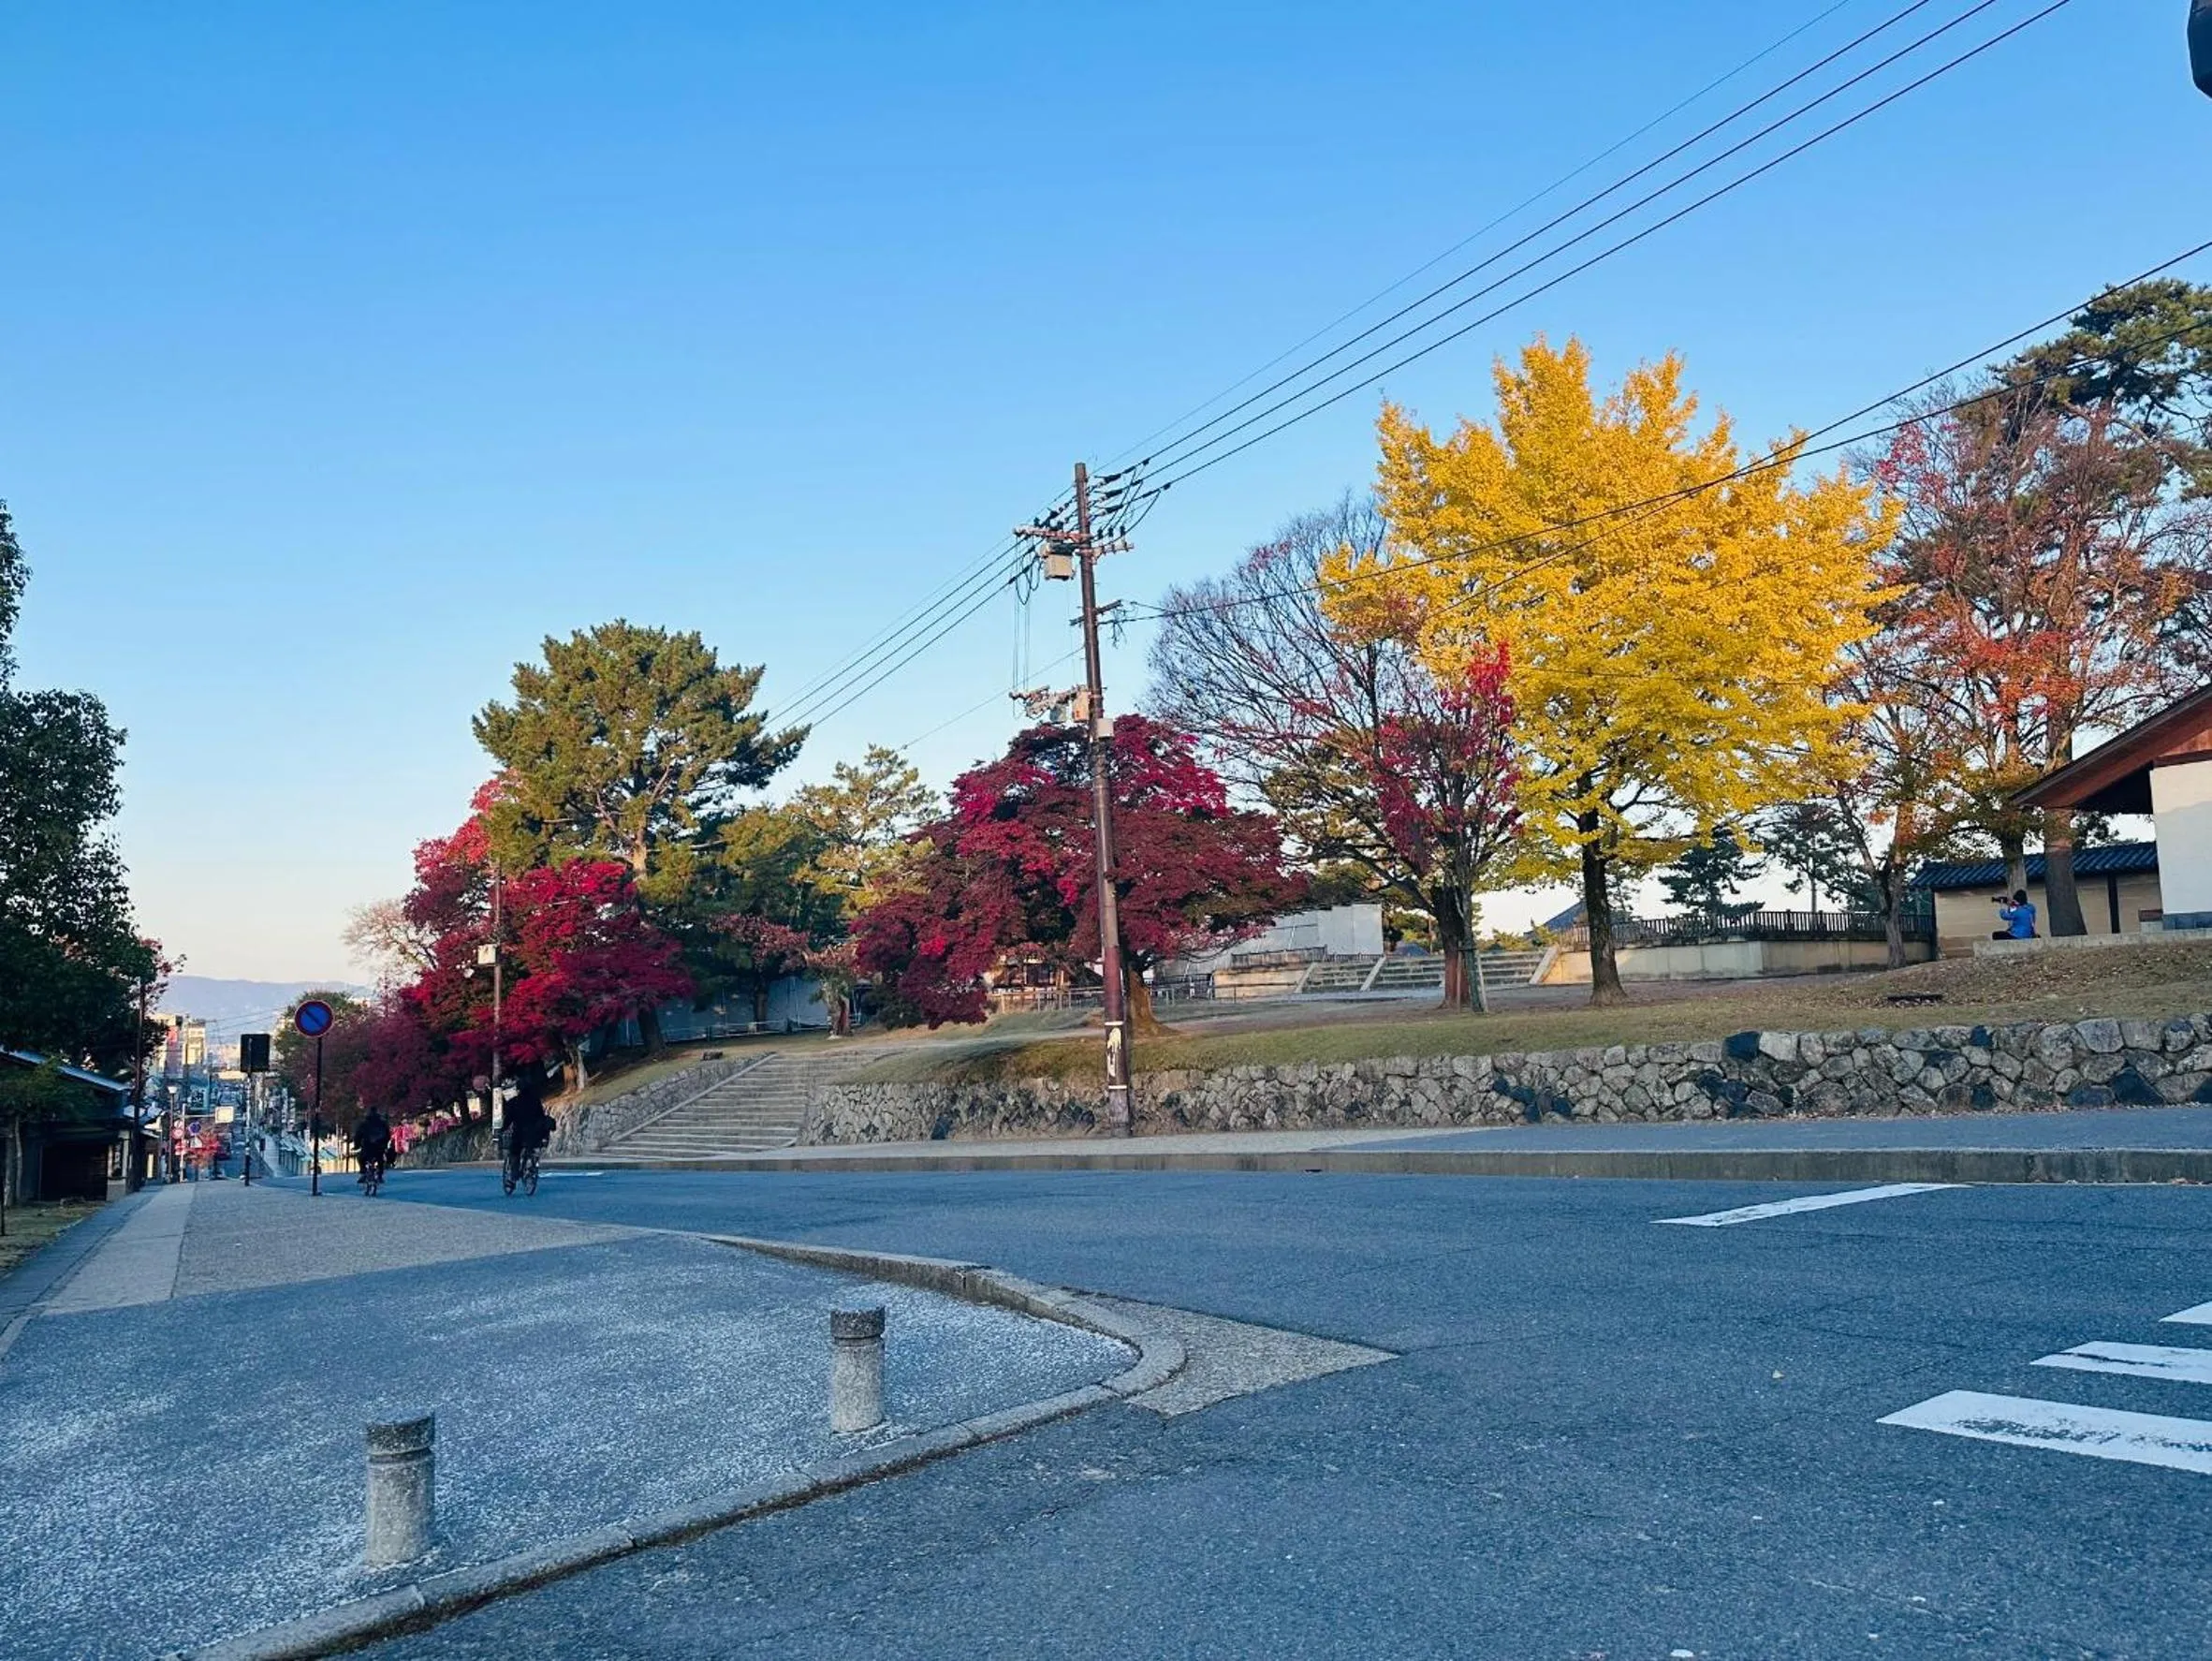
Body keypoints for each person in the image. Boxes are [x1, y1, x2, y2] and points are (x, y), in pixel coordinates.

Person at [501, 1071, 553, 1189]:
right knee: (531, 1148)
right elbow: (541, 1116)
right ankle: (531, 1167)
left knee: (514, 1152)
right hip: (535, 1133)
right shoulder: (535, 1101)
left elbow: (509, 1119)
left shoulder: (514, 1102)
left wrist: (502, 1129)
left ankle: (513, 1177)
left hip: (519, 1134)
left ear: (518, 1089)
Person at [352, 1107, 394, 1185]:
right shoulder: (382, 1123)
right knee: (380, 1159)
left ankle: (364, 1172)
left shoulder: (365, 1123)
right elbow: (388, 1135)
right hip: (379, 1146)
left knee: (361, 1158)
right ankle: (380, 1175)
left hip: (367, 1147)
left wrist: (356, 1145)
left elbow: (358, 1135)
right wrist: (385, 1144)